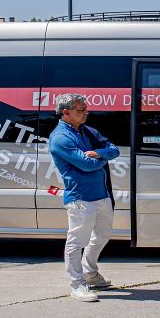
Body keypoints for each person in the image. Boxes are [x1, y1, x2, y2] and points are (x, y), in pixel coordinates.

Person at [49, 93, 120, 303]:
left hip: (102, 195)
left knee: (103, 235)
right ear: (66, 112)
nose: (86, 112)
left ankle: (90, 272)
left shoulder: (88, 131)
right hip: (81, 198)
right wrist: (101, 158)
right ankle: (77, 284)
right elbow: (86, 165)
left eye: (85, 109)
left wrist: (97, 154)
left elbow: (114, 151)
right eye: (81, 110)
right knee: (76, 241)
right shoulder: (60, 138)